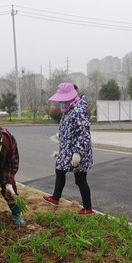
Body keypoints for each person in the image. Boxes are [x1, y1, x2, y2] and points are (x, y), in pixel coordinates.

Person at [42, 83, 94, 214]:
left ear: (70, 98)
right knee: (59, 170)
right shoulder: (69, 110)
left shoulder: (78, 111)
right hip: (67, 150)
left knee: (80, 180)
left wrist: (78, 153)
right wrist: (61, 150)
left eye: (62, 100)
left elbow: (84, 134)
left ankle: (88, 208)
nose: (60, 103)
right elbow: (68, 131)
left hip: (78, 151)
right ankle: (55, 198)